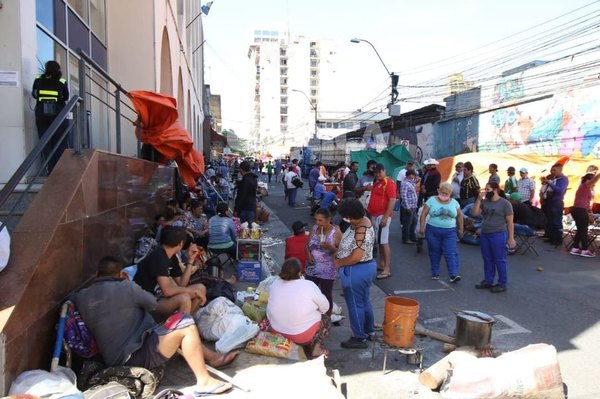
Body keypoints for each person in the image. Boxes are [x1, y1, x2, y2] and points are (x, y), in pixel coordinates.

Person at [74, 256, 236, 395]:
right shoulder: (127, 287)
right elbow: (156, 305)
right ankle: (204, 381)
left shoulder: (81, 296)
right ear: (121, 274)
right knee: (185, 323)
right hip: (133, 355)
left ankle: (212, 357)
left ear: (97, 274)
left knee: (178, 323)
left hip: (111, 357)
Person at [333, 198, 377, 349]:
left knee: (354, 304)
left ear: (351, 215)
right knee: (364, 301)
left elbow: (357, 255)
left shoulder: (361, 230)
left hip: (356, 269)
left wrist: (339, 262)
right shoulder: (363, 221)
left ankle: (359, 337)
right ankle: (369, 330)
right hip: (365, 268)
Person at [134, 226, 207, 315]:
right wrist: (193, 292)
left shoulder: (171, 257)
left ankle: (187, 321)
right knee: (184, 298)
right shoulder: (159, 257)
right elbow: (167, 291)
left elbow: (182, 283)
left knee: (200, 288)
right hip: (147, 300)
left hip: (159, 296)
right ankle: (182, 327)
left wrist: (191, 260)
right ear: (181, 243)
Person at [267, 258, 331, 359]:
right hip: (301, 336)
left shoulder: (274, 284)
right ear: (299, 272)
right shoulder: (309, 285)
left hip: (277, 332)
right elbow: (325, 307)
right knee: (326, 319)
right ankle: (316, 349)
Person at [471, 182, 516, 293]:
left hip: (498, 233)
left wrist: (511, 238)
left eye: (488, 189)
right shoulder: (485, 202)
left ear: (495, 190)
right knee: (487, 258)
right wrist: (478, 199)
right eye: (485, 189)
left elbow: (510, 222)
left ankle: (502, 283)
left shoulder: (505, 204)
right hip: (485, 233)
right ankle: (488, 280)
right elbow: (475, 213)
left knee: (499, 259)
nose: (486, 192)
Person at [418, 183, 463, 282]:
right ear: (439, 191)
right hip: (433, 230)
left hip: (450, 232)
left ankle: (453, 275)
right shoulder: (431, 201)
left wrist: (461, 229)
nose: (444, 195)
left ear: (450, 194)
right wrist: (421, 227)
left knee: (450, 252)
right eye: (442, 193)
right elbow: (424, 214)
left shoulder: (455, 203)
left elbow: (459, 215)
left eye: (446, 194)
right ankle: (435, 273)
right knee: (434, 252)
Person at [32, 60, 70, 174]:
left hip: (41, 112)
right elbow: (66, 96)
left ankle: (50, 168)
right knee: (60, 140)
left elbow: (34, 94)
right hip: (57, 111)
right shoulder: (62, 80)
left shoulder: (38, 79)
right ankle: (59, 169)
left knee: (45, 140)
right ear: (58, 69)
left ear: (46, 68)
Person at [306, 208, 342, 313]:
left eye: (320, 220)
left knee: (326, 294)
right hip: (312, 266)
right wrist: (309, 255)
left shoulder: (336, 232)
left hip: (327, 268)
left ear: (328, 219)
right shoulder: (314, 228)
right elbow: (306, 245)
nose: (317, 223)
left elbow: (342, 252)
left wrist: (330, 247)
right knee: (310, 293)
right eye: (316, 220)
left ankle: (326, 318)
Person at [367, 164, 397, 280]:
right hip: (375, 215)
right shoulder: (378, 183)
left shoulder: (388, 183)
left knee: (383, 242)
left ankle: (387, 269)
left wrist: (385, 217)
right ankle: (382, 264)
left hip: (382, 216)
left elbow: (392, 200)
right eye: (376, 173)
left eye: (380, 172)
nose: (378, 174)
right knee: (379, 241)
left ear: (384, 171)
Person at [569, 170, 600, 257]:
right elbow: (594, 180)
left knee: (580, 229)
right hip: (580, 210)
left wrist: (590, 212)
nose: (594, 184)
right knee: (584, 230)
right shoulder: (586, 186)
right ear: (588, 180)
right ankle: (585, 249)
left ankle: (575, 248)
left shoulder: (584, 187)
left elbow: (586, 202)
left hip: (578, 209)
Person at [540, 163, 568, 246]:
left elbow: (559, 190)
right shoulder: (554, 178)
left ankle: (558, 239)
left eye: (554, 170)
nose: (552, 172)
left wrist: (550, 183)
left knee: (556, 221)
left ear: (560, 170)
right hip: (550, 201)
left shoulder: (563, 179)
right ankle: (551, 237)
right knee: (550, 220)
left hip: (557, 202)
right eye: (552, 170)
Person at [234, 161, 257, 225]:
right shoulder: (253, 178)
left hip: (245, 209)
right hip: (252, 206)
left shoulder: (245, 180)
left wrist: (236, 209)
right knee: (249, 227)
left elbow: (241, 196)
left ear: (241, 169)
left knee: (244, 228)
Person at [400, 169, 419, 244]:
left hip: (413, 206)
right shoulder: (405, 184)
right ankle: (405, 238)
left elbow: (416, 180)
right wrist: (407, 207)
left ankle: (412, 236)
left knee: (414, 222)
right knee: (407, 223)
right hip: (409, 207)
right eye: (413, 174)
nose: (414, 176)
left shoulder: (410, 182)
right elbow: (403, 196)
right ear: (409, 175)